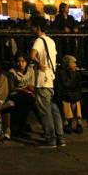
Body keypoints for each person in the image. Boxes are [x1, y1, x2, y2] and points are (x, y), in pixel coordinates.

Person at [30, 15, 64, 148]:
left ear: (37, 27)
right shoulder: (51, 41)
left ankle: (51, 139)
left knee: (45, 111)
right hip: (51, 79)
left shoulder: (39, 41)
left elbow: (32, 55)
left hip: (42, 80)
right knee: (54, 109)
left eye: (32, 26)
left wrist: (39, 63)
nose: (30, 28)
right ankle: (60, 138)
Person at [7, 52, 36, 137]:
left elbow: (32, 84)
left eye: (23, 61)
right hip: (16, 93)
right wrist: (23, 89)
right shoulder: (12, 72)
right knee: (24, 103)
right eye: (18, 61)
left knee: (29, 102)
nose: (21, 63)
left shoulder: (30, 70)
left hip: (28, 93)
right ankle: (19, 128)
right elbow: (12, 88)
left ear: (26, 62)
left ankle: (20, 127)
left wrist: (29, 89)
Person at [56, 55, 83, 134]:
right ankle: (66, 122)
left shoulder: (76, 73)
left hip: (73, 94)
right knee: (66, 101)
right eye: (73, 63)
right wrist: (72, 73)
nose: (75, 65)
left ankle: (79, 122)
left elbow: (78, 86)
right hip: (65, 94)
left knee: (77, 100)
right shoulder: (61, 73)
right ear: (68, 64)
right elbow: (66, 84)